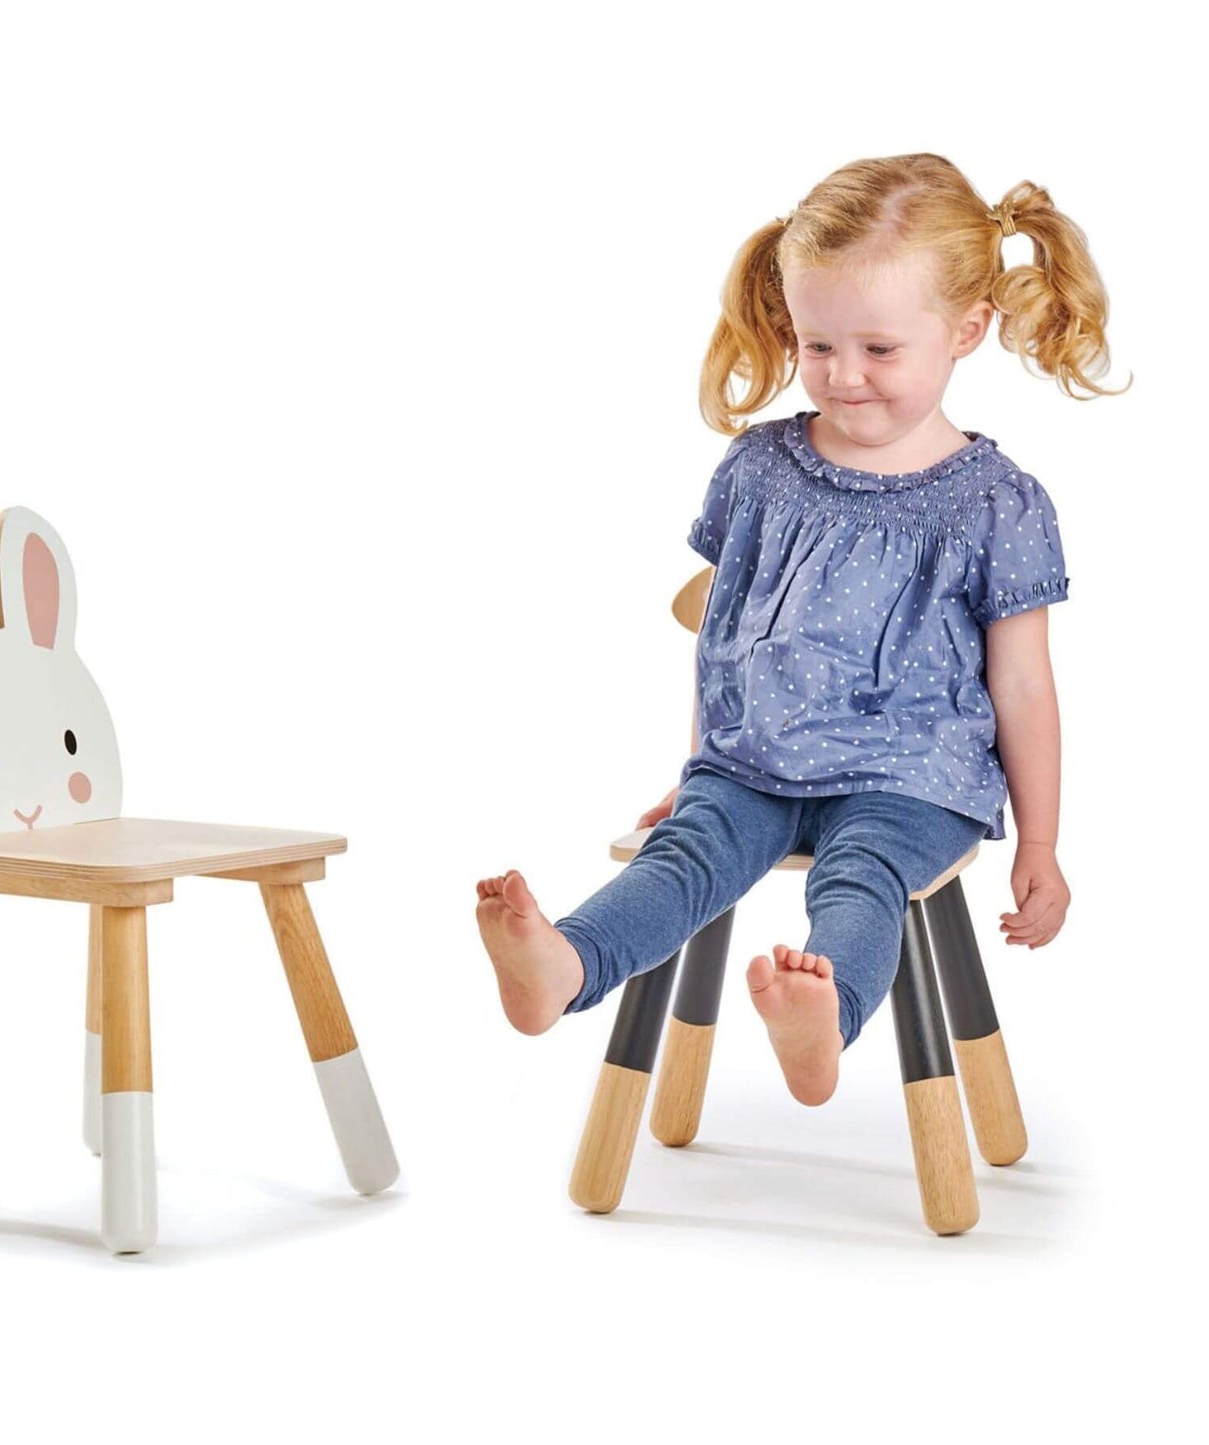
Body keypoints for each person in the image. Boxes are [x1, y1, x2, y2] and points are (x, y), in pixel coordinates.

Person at [476, 153, 1126, 1107]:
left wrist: (1040, 843)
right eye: (818, 344)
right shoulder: (760, 468)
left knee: (860, 877)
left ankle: (823, 1016)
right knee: (685, 854)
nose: (844, 376)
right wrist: (699, 763)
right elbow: (722, 633)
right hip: (754, 764)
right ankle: (566, 964)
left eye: (878, 348)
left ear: (966, 329)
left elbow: (1023, 684)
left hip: (912, 779)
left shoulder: (996, 503)